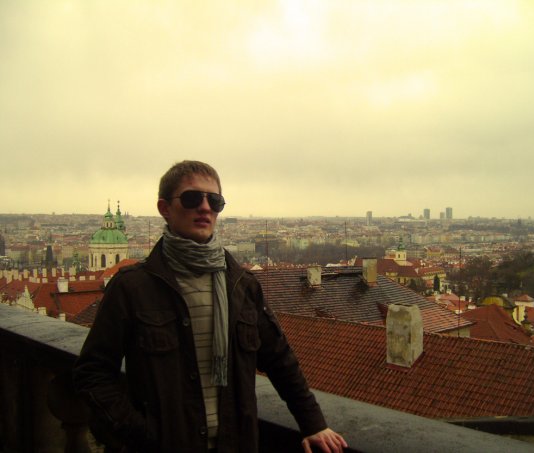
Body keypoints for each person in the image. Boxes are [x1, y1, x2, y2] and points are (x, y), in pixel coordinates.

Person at [73, 160, 347, 453]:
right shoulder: (132, 287)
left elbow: (279, 359)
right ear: (165, 208)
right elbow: (93, 372)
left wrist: (313, 423)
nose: (205, 207)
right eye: (192, 198)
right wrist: (140, 433)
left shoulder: (241, 284)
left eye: (214, 201)